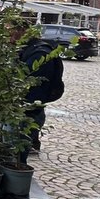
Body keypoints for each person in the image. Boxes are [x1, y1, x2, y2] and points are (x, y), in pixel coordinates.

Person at [16, 22, 65, 152]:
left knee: (31, 116)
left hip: (34, 96)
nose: (10, 37)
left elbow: (26, 75)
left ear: (22, 32)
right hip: (34, 96)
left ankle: (28, 143)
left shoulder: (39, 52)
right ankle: (30, 141)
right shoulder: (31, 48)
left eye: (12, 33)